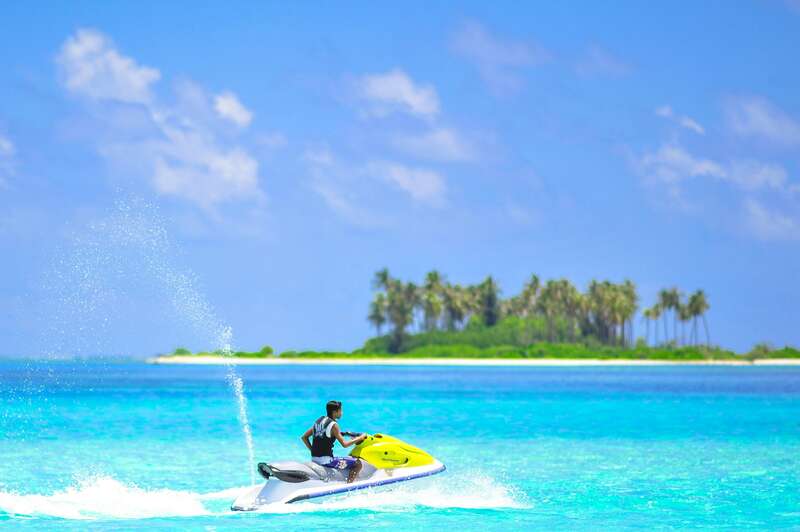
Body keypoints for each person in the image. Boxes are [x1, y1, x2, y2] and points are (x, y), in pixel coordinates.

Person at [301, 400, 366, 483]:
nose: (342, 413)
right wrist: (360, 438)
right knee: (357, 464)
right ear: (335, 412)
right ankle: (348, 485)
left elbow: (304, 437)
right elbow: (345, 444)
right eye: (340, 411)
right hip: (327, 461)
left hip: (314, 458)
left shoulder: (318, 422)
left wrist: (312, 450)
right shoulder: (334, 425)